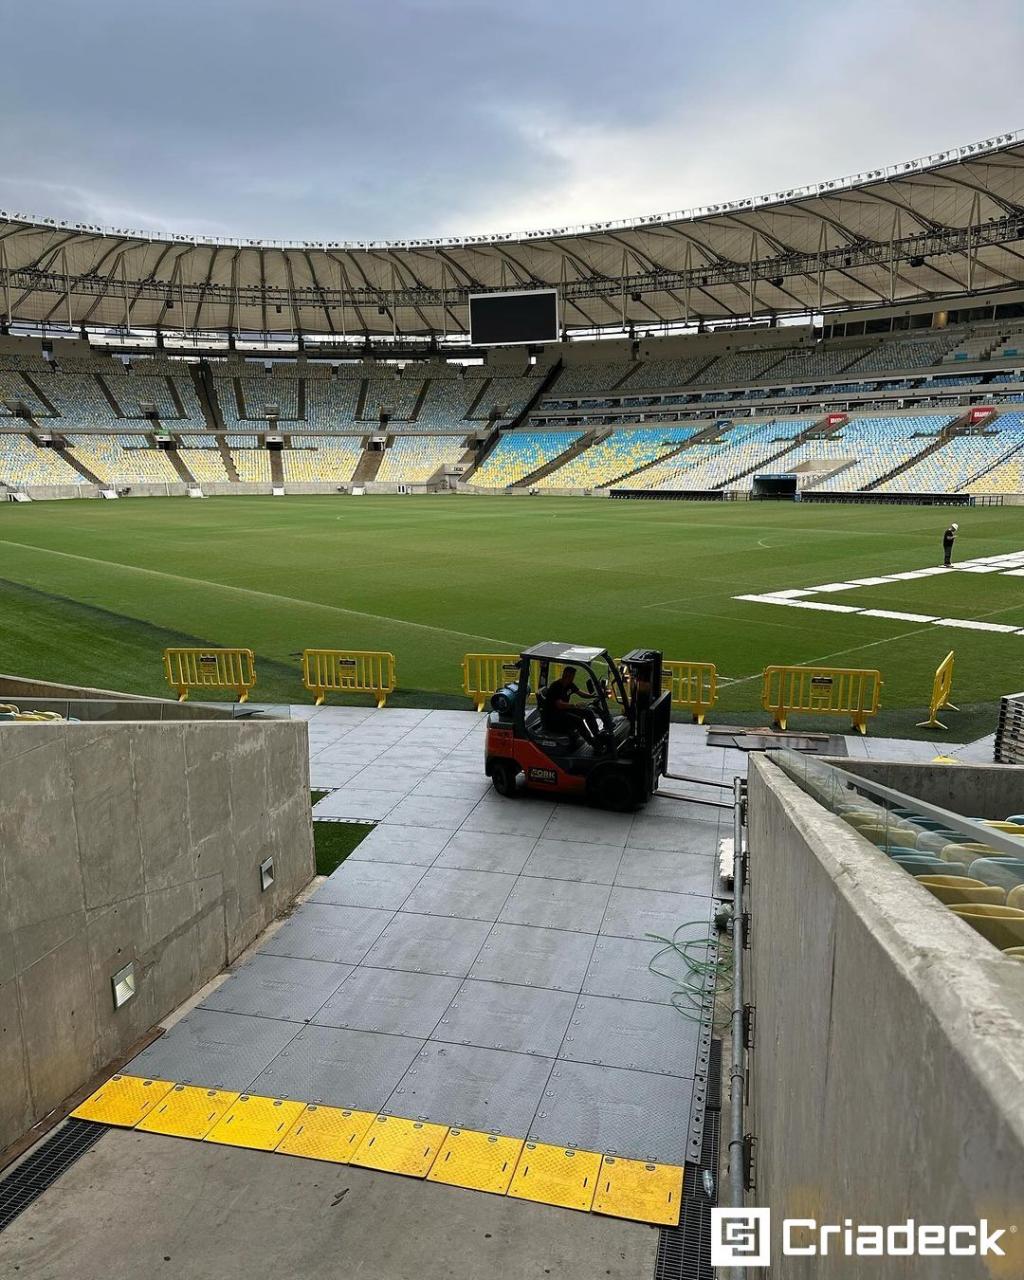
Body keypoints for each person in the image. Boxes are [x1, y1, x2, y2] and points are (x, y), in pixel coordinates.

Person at [537, 665, 603, 744]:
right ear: (566, 675)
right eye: (572, 676)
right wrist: (575, 705)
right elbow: (559, 705)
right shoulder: (555, 687)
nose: (573, 678)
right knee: (578, 720)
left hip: (563, 711)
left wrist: (592, 695)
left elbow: (580, 693)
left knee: (588, 712)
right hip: (554, 716)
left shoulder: (569, 684)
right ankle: (593, 743)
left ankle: (597, 736)